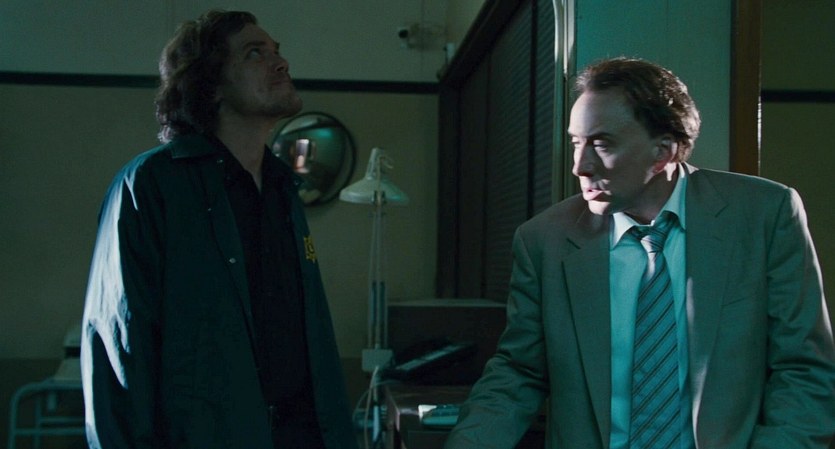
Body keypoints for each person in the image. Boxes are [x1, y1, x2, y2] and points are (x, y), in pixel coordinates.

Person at [444, 57, 835, 449]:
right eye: (577, 143)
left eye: (601, 144)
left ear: (662, 152)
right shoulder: (545, 240)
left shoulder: (763, 214)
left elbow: (803, 369)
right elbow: (518, 373)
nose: (580, 166)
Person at [79, 10, 358, 449]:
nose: (281, 63)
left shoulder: (283, 188)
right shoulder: (151, 185)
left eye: (277, 51)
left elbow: (309, 338)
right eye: (255, 53)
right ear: (210, 85)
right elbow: (118, 353)